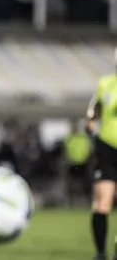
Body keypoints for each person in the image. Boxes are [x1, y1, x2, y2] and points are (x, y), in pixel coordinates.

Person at [87, 48, 117, 260]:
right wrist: (91, 121)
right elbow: (94, 109)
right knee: (102, 201)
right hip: (106, 147)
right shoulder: (106, 83)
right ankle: (100, 252)